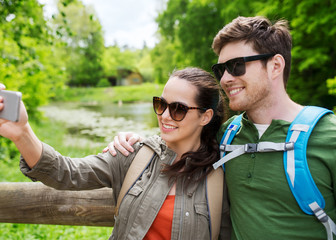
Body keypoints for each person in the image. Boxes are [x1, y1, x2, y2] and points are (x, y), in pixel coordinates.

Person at [105, 16, 336, 240]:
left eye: (236, 66)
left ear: (275, 66)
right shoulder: (225, 135)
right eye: (221, 69)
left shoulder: (329, 137)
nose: (225, 79)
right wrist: (133, 140)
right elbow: (176, 134)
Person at [0, 67, 229, 240]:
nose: (165, 116)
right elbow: (67, 172)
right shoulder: (133, 154)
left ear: (205, 116)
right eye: (161, 104)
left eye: (178, 109)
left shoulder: (222, 174)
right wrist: (22, 134)